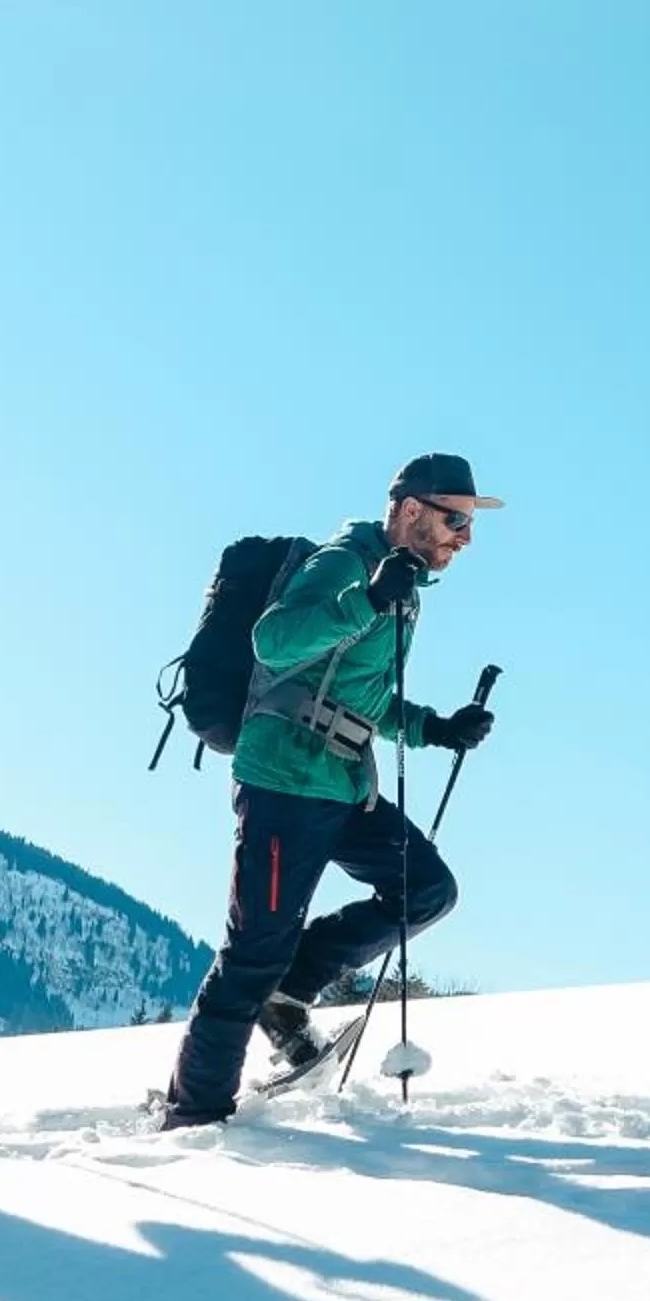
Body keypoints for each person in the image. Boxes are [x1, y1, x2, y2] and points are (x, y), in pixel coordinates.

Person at [159, 453, 502, 1126]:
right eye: (455, 520)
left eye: (469, 524)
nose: (464, 538)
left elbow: (357, 696)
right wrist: (365, 598)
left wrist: (436, 728)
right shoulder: (344, 564)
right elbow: (273, 641)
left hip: (343, 783)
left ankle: (289, 989)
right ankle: (194, 1114)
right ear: (411, 510)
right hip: (284, 781)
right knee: (252, 952)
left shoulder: (401, 586)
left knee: (426, 890)